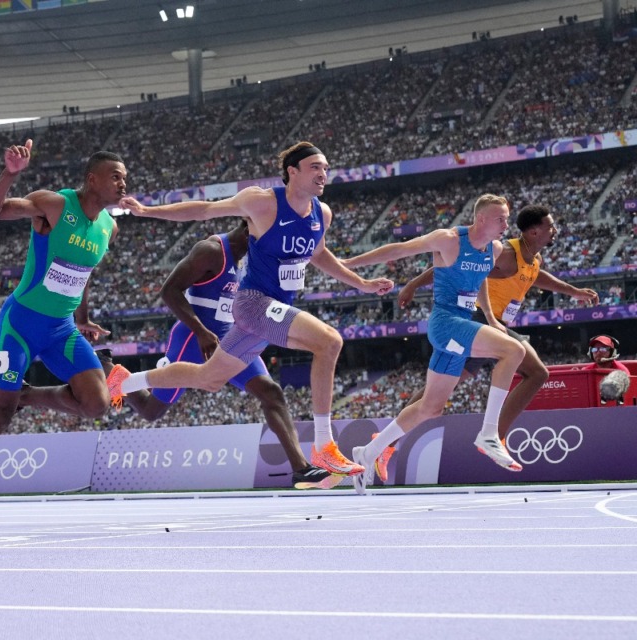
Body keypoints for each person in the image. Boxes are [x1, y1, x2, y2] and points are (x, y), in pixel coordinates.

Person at [109, 142, 394, 479]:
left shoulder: (322, 214)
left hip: (269, 313)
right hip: (254, 305)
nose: (323, 174)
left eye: (326, 168)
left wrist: (361, 283)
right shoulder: (262, 202)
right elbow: (203, 210)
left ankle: (124, 382)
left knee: (209, 378)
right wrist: (148, 211)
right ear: (293, 171)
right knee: (329, 341)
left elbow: (319, 255)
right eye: (316, 167)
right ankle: (323, 446)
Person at [0, 141, 125, 539]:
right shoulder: (55, 205)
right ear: (92, 180)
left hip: (62, 329)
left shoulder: (109, 226)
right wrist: (10, 174)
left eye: (125, 177)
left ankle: (27, 395)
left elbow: (81, 273)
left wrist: (84, 318)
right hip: (20, 326)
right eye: (116, 176)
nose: (123, 183)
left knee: (97, 404)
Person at [101, 218, 338, 490]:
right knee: (151, 410)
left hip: (230, 337)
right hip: (193, 338)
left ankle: (301, 470)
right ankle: (113, 373)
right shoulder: (211, 251)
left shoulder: (251, 260)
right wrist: (201, 331)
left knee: (270, 391)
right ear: (250, 228)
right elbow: (169, 292)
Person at [342, 194, 527, 494]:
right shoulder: (449, 240)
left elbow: (479, 280)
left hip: (460, 328)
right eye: (501, 218)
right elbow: (399, 249)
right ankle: (489, 433)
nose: (507, 223)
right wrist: (347, 264)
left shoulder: (492, 249)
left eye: (507, 218)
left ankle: (369, 452)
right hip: (445, 324)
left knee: (430, 408)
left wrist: (491, 319)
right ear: (481, 219)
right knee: (514, 350)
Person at [394, 204, 598, 466]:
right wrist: (412, 284)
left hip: (496, 325)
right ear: (534, 231)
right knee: (536, 372)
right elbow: (452, 265)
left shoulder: (534, 259)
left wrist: (574, 291)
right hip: (478, 319)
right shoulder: (506, 252)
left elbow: (536, 276)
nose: (555, 230)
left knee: (440, 390)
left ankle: (388, 441)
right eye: (550, 225)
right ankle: (494, 437)